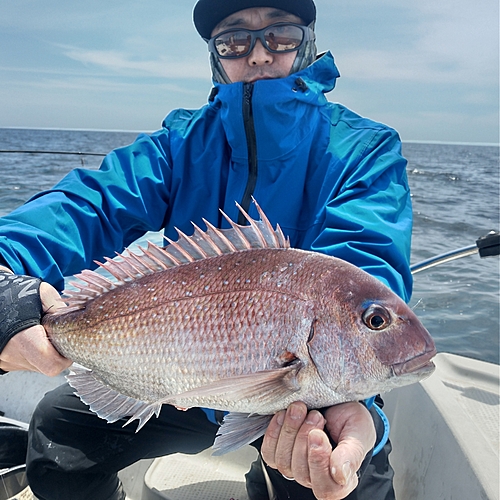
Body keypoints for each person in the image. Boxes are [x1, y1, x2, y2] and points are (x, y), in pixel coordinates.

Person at [0, 0, 413, 498]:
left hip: (306, 397)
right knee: (57, 429)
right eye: (235, 40)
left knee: (333, 466)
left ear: (306, 43)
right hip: (184, 376)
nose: (259, 54)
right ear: (216, 57)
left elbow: (365, 267)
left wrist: (358, 403)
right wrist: (5, 281)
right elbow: (90, 204)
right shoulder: (180, 144)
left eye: (279, 35)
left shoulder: (363, 149)